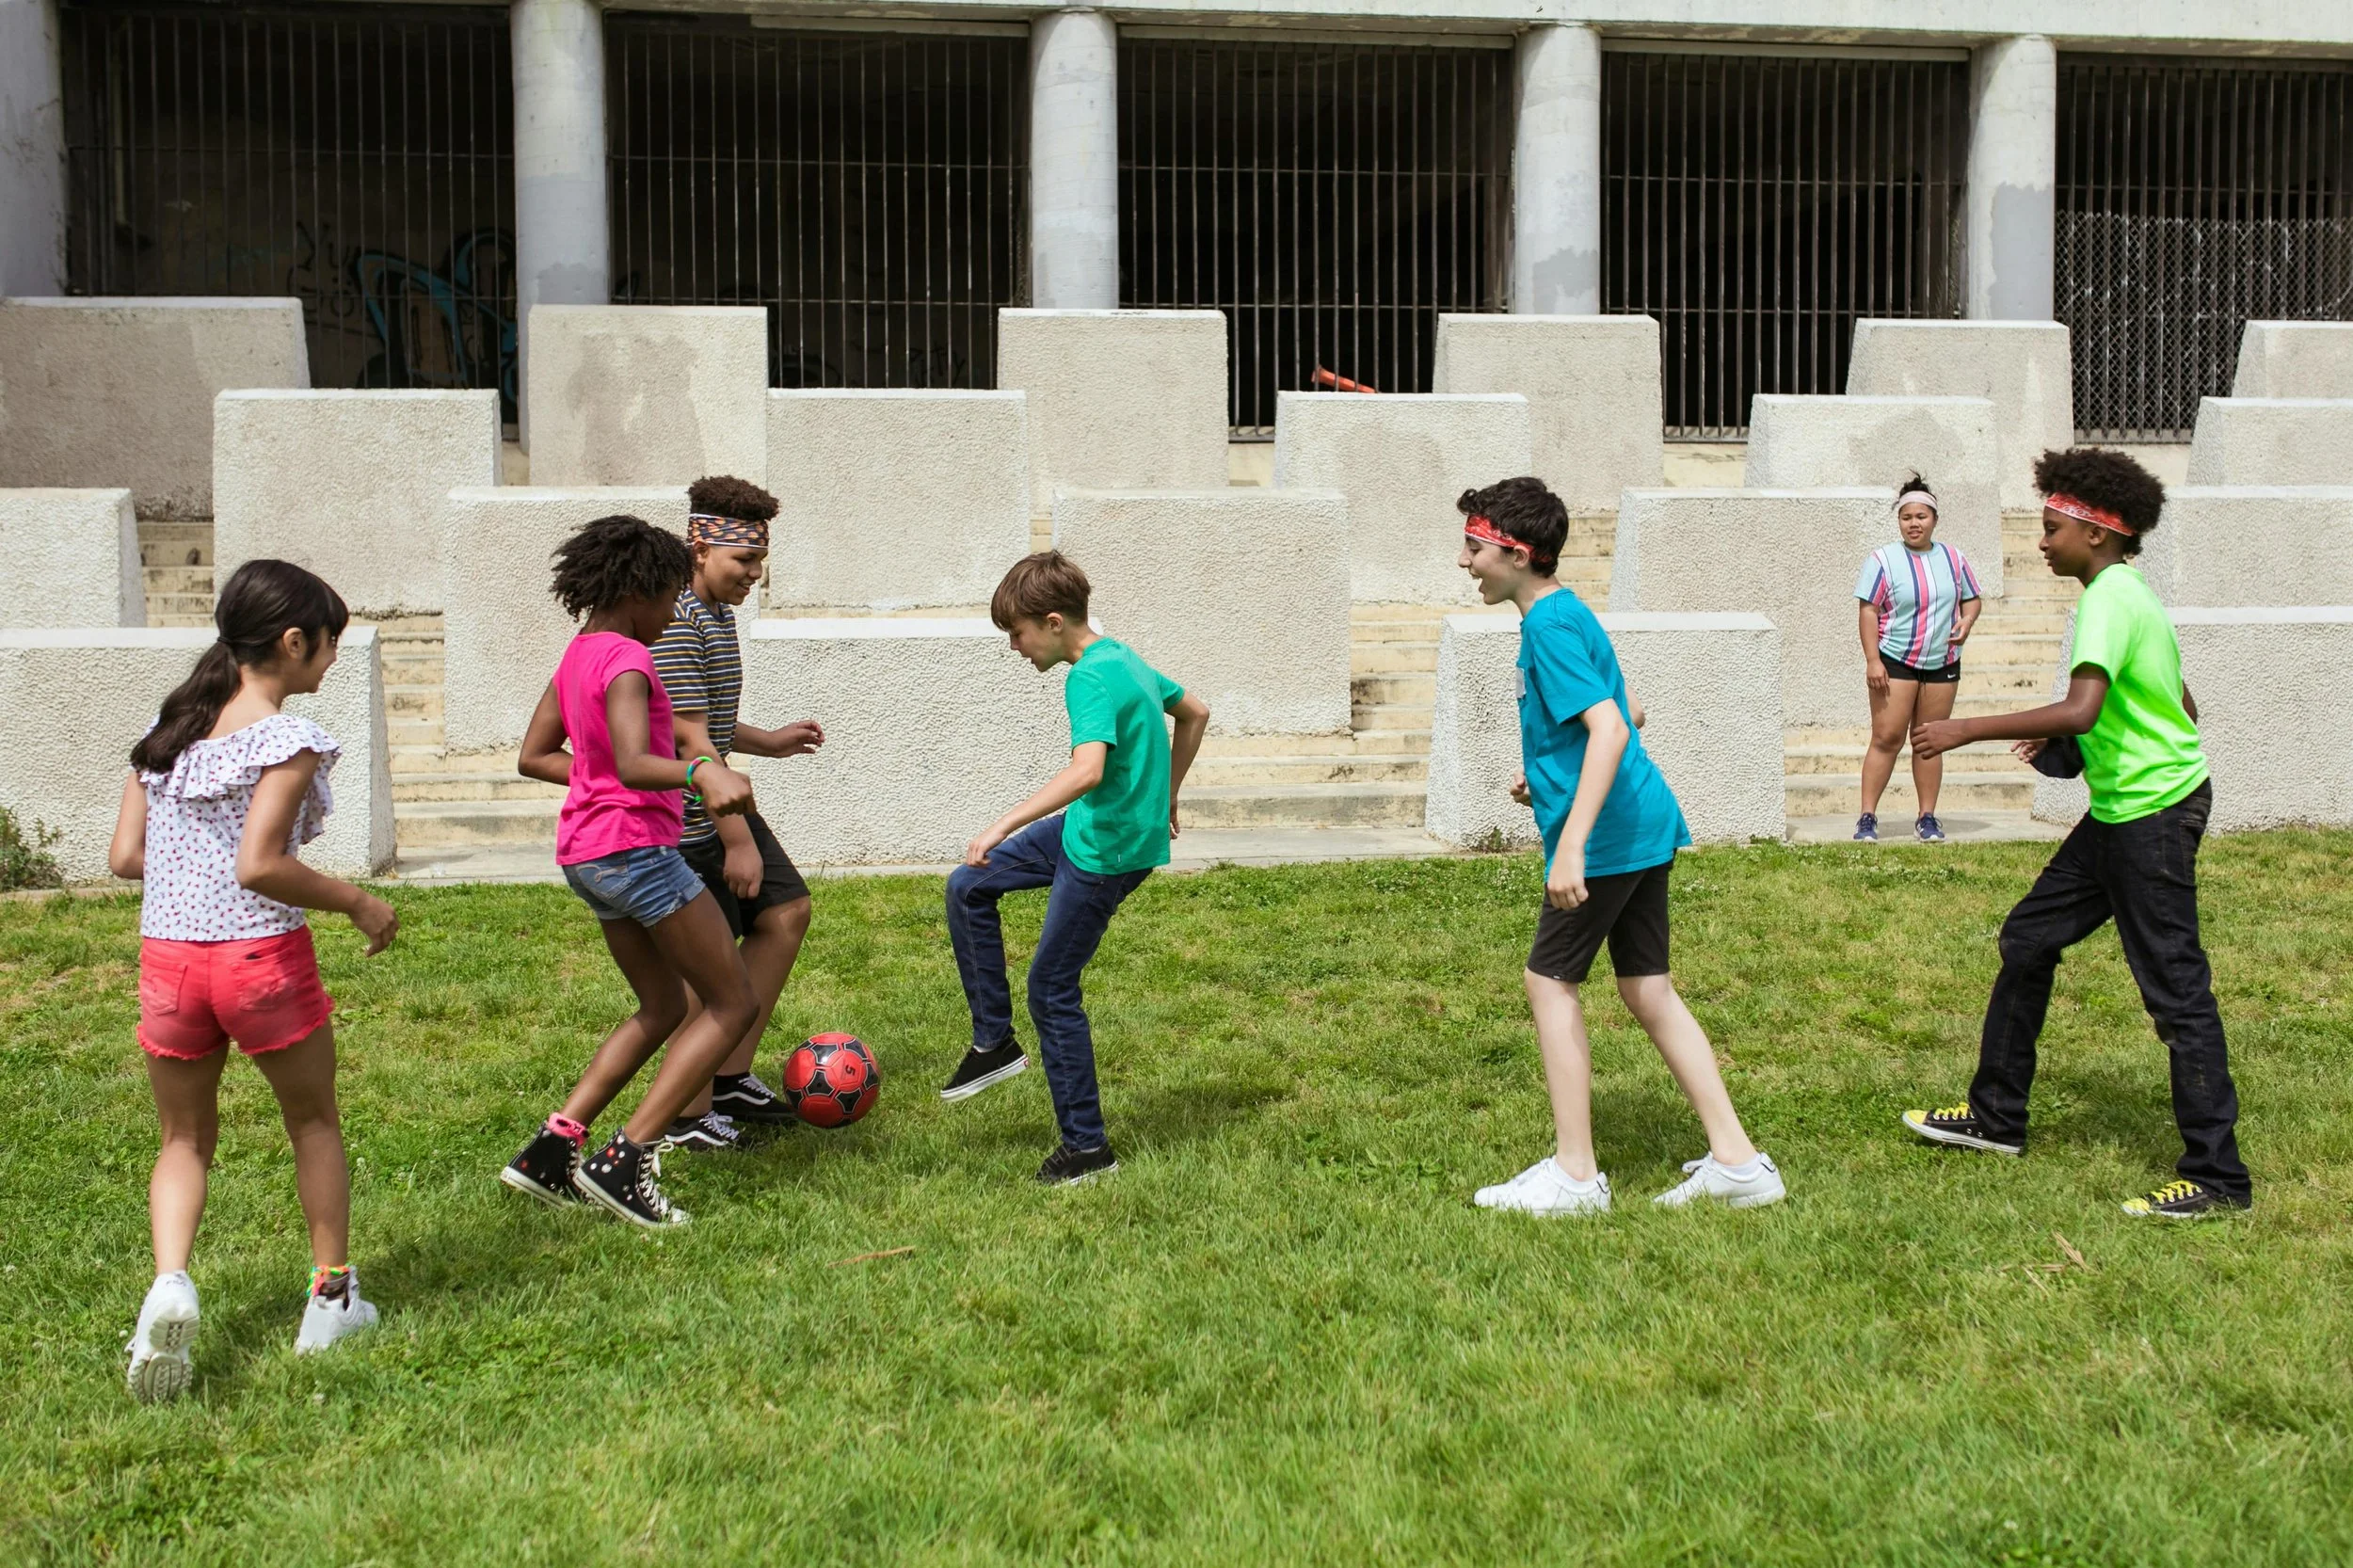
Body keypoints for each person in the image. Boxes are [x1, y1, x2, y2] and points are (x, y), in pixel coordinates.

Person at [1903, 448, 2249, 1219]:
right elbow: (2178, 705)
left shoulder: (2107, 600)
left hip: (2151, 817)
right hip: (2124, 811)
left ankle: (2220, 1178)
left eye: (2051, 528)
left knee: (2177, 991)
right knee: (2028, 939)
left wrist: (1967, 730)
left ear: (2096, 534)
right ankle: (1997, 1119)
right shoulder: (2130, 594)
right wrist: (2070, 749)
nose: (2041, 542)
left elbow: (2085, 707)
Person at [111, 559, 399, 1402]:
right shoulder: (286, 742)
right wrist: (358, 903)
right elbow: (261, 864)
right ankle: (332, 1299)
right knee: (312, 1120)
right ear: (292, 641)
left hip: (169, 960)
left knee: (183, 1140)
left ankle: (169, 1285)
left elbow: (126, 857)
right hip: (257, 960)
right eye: (330, 645)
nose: (334, 660)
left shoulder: (166, 734)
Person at [1456, 478, 1785, 1217]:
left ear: (1514, 553)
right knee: (1646, 988)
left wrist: (1570, 844)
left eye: (1474, 548)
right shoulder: (1568, 611)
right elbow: (1627, 708)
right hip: (1645, 825)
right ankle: (1738, 1164)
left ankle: (1576, 1176)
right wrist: (1543, 771)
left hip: (1606, 839)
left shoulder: (1546, 627)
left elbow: (1609, 728)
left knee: (1550, 983)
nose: (1465, 562)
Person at [497, 514, 761, 1228]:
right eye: (673, 593)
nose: (678, 608)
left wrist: (609, 782)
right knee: (731, 1002)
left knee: (662, 1008)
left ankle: (552, 1149)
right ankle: (627, 1158)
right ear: (640, 586)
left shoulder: (578, 652)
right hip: (635, 852)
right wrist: (703, 770)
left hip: (587, 853)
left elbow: (537, 755)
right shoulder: (630, 661)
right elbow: (632, 762)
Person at [937, 551, 1210, 1185]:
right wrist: (1166, 791)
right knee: (969, 884)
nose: (1015, 647)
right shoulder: (1123, 658)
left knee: (1052, 988)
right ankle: (993, 1044)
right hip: (1091, 829)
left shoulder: (1087, 677)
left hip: (1105, 851)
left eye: (1018, 633)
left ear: (1054, 622)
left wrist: (1000, 824)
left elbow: (1087, 769)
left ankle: (1087, 1147)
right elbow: (1195, 711)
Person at [646, 476, 825, 1152]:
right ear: (699, 545)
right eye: (744, 562)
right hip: (686, 824)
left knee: (785, 913)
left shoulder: (717, 615)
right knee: (709, 969)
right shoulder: (675, 623)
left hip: (719, 805)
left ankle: (728, 1076)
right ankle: (687, 1122)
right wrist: (737, 842)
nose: (755, 575)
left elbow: (708, 720)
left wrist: (767, 740)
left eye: (761, 562)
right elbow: (691, 742)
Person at [1852, 473, 1982, 843]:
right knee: (1887, 737)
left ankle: (1927, 817)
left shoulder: (1954, 558)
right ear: (1899, 520)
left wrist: (1967, 621)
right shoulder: (1882, 560)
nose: (1914, 523)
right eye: (1907, 517)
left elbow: (1972, 598)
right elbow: (1868, 611)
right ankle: (1867, 817)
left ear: (1934, 519)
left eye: (1921, 516)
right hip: (1895, 660)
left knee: (1929, 740)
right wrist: (1872, 660)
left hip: (1942, 662)